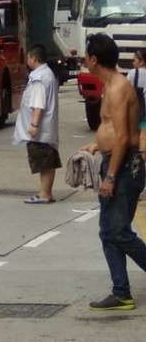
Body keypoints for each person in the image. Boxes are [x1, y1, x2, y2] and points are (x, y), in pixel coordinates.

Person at [80, 33, 146, 311]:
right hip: (114, 161)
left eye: (86, 56)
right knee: (108, 232)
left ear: (94, 59)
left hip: (123, 166)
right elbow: (116, 131)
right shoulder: (111, 85)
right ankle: (121, 292)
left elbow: (122, 137)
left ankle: (121, 291)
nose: (84, 61)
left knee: (118, 231)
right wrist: (97, 144)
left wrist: (110, 176)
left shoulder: (118, 88)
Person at [13, 44, 60, 204]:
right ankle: (45, 192)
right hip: (46, 130)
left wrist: (34, 125)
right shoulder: (47, 74)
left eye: (28, 57)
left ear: (34, 58)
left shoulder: (39, 78)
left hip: (40, 131)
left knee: (44, 162)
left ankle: (45, 194)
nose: (27, 60)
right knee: (48, 162)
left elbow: (38, 104)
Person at [125, 48, 146, 159]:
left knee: (136, 134)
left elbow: (125, 89)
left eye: (135, 60)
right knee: (144, 134)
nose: (133, 62)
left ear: (142, 61)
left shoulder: (133, 73)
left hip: (137, 108)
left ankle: (139, 159)